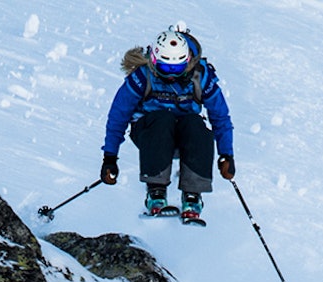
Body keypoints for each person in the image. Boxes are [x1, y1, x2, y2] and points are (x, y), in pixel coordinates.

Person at [100, 25, 235, 222]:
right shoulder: (142, 77)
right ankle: (156, 192)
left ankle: (192, 197)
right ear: (154, 61)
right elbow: (118, 116)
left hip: (185, 137)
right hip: (150, 132)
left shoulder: (200, 76)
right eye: (165, 68)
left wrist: (226, 154)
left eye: (177, 68)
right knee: (162, 118)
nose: (171, 74)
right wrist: (110, 157)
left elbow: (220, 116)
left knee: (196, 124)